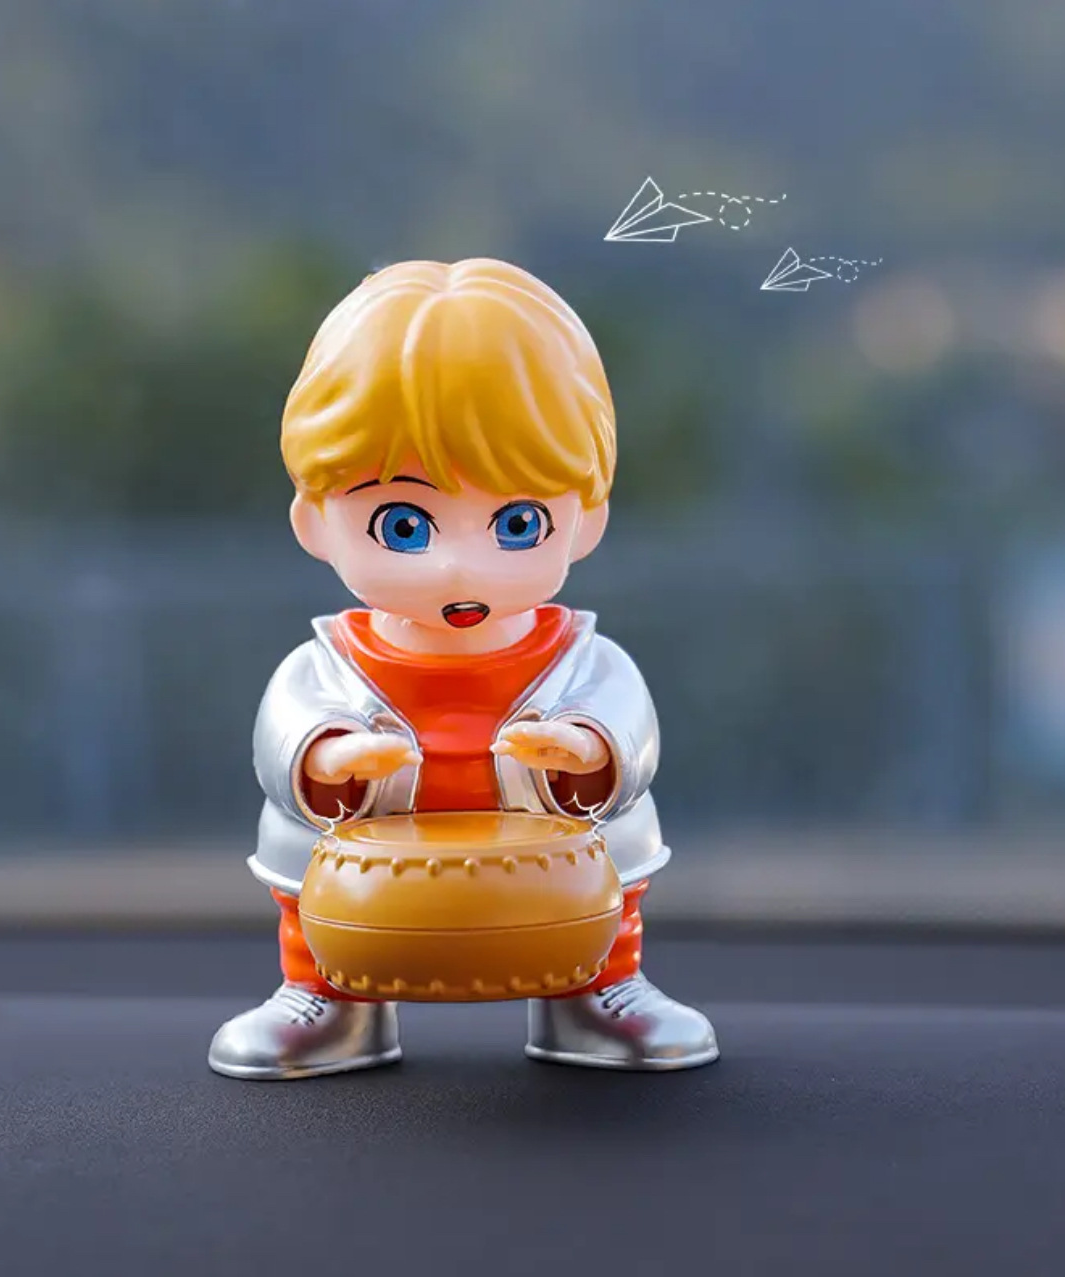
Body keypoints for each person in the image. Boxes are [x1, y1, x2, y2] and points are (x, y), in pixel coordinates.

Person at [208, 257, 718, 1079]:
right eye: (404, 526)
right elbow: (283, 737)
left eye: (517, 523)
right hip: (359, 881)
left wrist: (590, 748)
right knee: (307, 879)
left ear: (586, 519)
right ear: (315, 522)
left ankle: (598, 988)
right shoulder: (328, 667)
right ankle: (327, 996)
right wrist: (326, 756)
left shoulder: (582, 661)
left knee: (613, 870)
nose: (460, 567)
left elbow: (631, 729)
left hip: (559, 879)